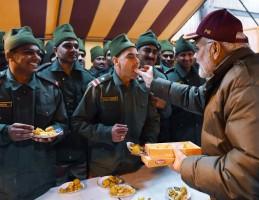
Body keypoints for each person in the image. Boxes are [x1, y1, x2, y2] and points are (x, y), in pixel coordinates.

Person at [136, 9, 259, 200]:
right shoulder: (233, 74)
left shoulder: (245, 82)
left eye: (197, 49)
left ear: (215, 49)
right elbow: (197, 97)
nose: (195, 57)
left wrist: (186, 165)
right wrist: (154, 83)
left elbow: (245, 173)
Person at [72, 34, 160, 177]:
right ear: (115, 61)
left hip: (134, 164)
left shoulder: (144, 88)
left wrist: (147, 144)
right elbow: (78, 122)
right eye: (130, 57)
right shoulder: (98, 88)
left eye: (137, 56)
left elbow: (153, 120)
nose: (137, 61)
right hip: (103, 166)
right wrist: (107, 132)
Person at [0, 26, 67, 199]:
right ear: (9, 55)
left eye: (38, 52)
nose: (37, 57)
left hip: (41, 177)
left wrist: (55, 133)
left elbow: (62, 124)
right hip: (4, 180)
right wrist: (5, 131)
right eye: (28, 52)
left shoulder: (50, 88)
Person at [37, 24, 93, 184]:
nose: (74, 49)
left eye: (76, 46)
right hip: (53, 151)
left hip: (80, 149)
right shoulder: (42, 76)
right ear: (55, 50)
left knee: (81, 192)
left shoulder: (87, 78)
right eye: (67, 46)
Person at [167, 36, 204, 145]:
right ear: (176, 57)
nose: (187, 58)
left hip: (200, 131)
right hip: (179, 134)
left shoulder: (201, 75)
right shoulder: (170, 77)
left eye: (190, 54)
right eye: (182, 55)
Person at [136, 30, 171, 142]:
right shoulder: (128, 74)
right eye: (147, 50)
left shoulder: (161, 77)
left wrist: (164, 106)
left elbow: (168, 112)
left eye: (155, 52)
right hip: (129, 138)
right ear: (137, 52)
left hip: (154, 139)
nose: (151, 55)